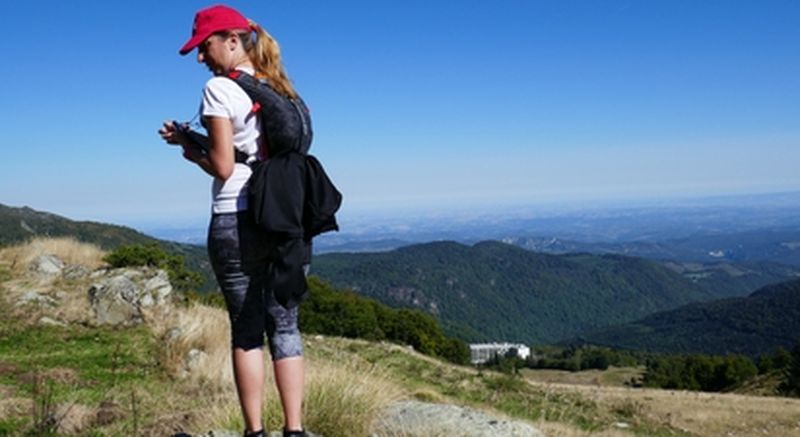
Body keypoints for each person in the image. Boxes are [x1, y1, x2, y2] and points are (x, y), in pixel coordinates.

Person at [158, 5, 307, 437]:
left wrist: (190, 150)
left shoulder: (218, 89)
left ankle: (254, 431)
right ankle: (294, 429)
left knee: (246, 330)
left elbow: (224, 166)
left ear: (231, 40)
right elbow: (254, 148)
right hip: (283, 216)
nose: (200, 58)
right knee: (286, 326)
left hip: (235, 217)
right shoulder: (276, 85)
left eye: (204, 47)